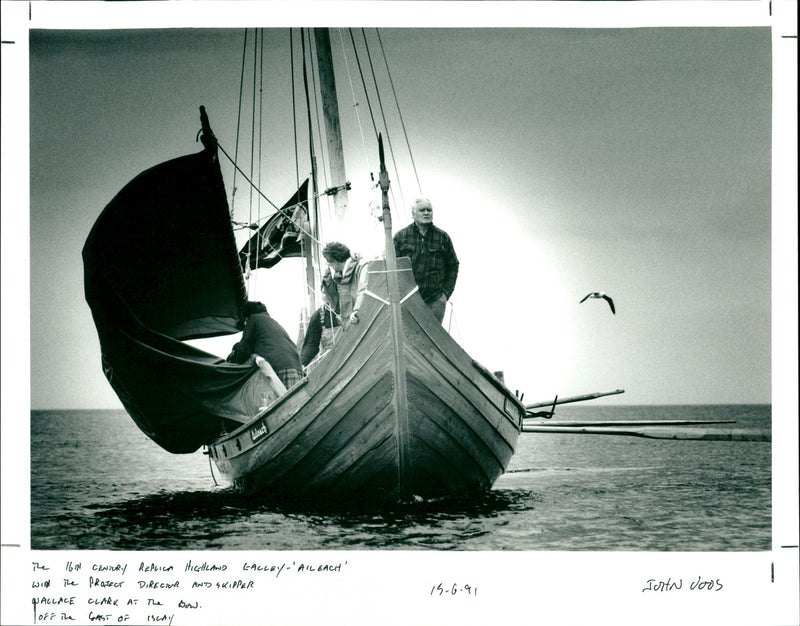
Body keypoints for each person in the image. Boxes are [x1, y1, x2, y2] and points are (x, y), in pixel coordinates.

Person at [393, 198, 459, 323]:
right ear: (413, 214)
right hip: (408, 300)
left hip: (435, 301)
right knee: (409, 337)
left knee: (432, 339)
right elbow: (392, 267)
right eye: (422, 210)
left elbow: (453, 266)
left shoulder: (442, 237)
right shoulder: (401, 237)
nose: (426, 213)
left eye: (429, 210)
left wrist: (445, 295)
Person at [226, 301, 303, 389]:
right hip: (297, 370)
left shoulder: (253, 319)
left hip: (280, 370)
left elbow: (244, 350)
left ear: (247, 316)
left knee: (286, 401)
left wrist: (234, 354)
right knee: (296, 401)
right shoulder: (272, 323)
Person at [320, 242, 368, 327]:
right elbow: (334, 303)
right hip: (352, 323)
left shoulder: (361, 267)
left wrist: (356, 310)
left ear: (334, 262)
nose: (329, 265)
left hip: (360, 320)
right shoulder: (339, 276)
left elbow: (364, 290)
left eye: (329, 263)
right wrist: (328, 283)